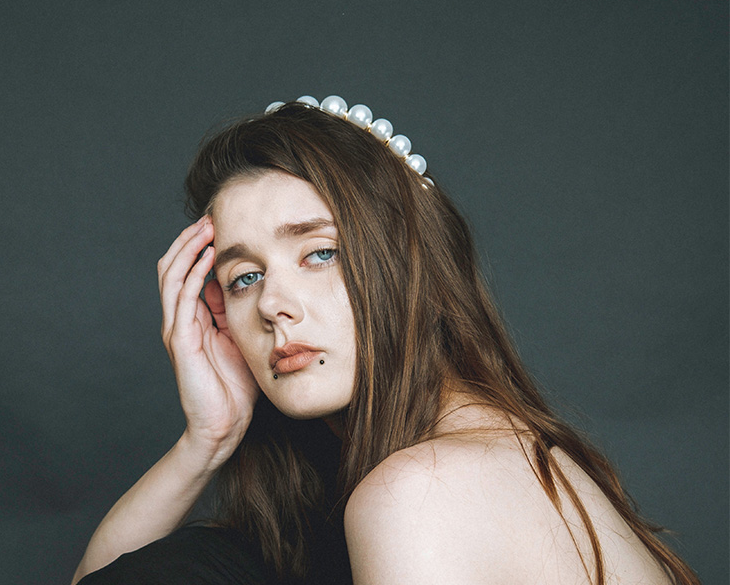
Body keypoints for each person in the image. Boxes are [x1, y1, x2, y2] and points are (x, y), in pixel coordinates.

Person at [71, 96, 700, 584]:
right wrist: (205, 441)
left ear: (408, 267)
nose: (272, 304)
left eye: (320, 253)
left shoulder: (421, 492)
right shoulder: (458, 458)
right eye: (246, 277)